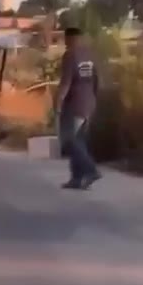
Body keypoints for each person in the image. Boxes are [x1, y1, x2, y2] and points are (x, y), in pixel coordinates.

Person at [55, 27, 101, 191]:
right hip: (89, 102)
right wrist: (93, 99)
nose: (66, 42)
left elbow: (66, 82)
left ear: (69, 38)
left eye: (66, 39)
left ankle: (91, 170)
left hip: (75, 104)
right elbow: (96, 80)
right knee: (80, 140)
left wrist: (58, 102)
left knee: (71, 140)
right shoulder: (90, 54)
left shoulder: (69, 55)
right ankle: (76, 178)